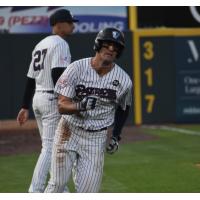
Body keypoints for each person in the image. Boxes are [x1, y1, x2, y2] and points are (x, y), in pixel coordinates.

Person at [44, 27, 133, 193]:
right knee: (57, 184)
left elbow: (124, 108)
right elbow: (62, 105)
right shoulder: (76, 68)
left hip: (96, 138)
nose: (111, 49)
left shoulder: (124, 80)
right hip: (68, 130)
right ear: (98, 45)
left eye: (116, 47)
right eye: (107, 45)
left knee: (89, 192)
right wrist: (80, 105)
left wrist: (115, 136)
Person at [16, 9, 79, 193]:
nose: (72, 25)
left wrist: (24, 106)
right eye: (69, 22)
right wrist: (65, 99)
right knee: (50, 147)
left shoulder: (40, 44)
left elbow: (30, 78)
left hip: (38, 98)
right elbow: (57, 74)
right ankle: (35, 191)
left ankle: (59, 189)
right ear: (59, 24)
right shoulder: (60, 44)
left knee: (51, 145)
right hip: (51, 98)